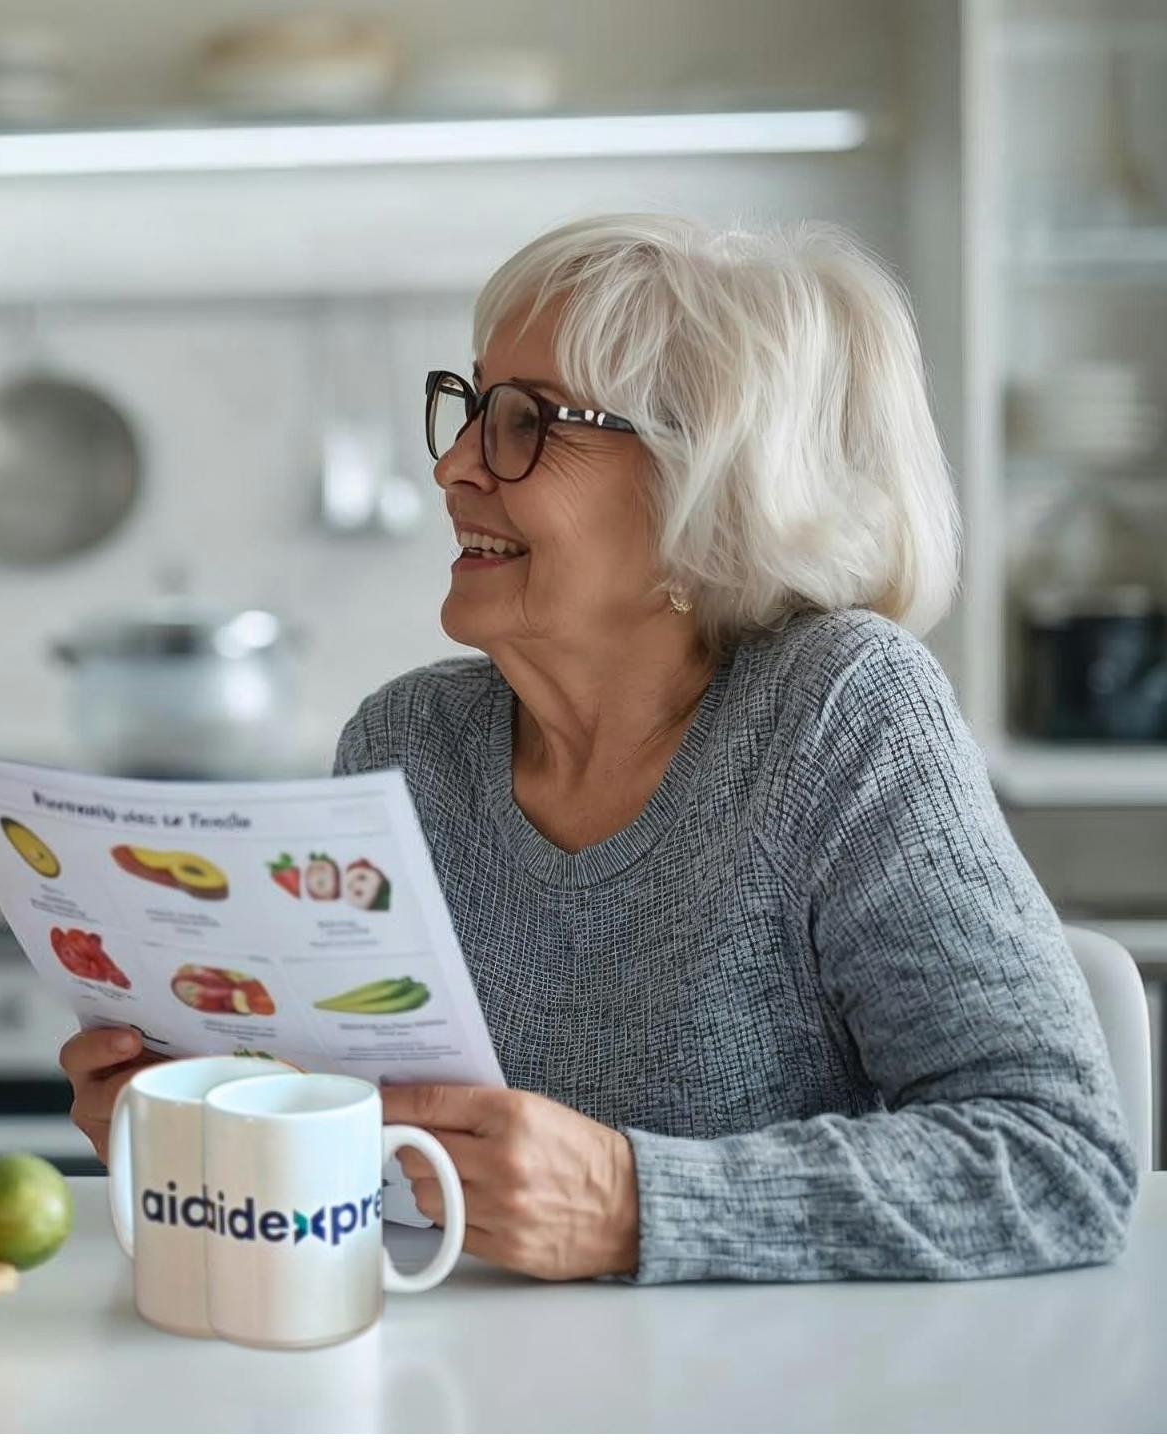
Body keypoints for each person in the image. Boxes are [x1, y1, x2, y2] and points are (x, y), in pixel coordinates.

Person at [63, 214, 1136, 1282]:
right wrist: (210, 1135)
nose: (451, 467)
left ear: (706, 479)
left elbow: (1056, 1161)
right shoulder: (408, 745)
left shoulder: (839, 711)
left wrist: (635, 1204)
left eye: (524, 423)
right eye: (471, 407)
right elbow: (373, 1178)